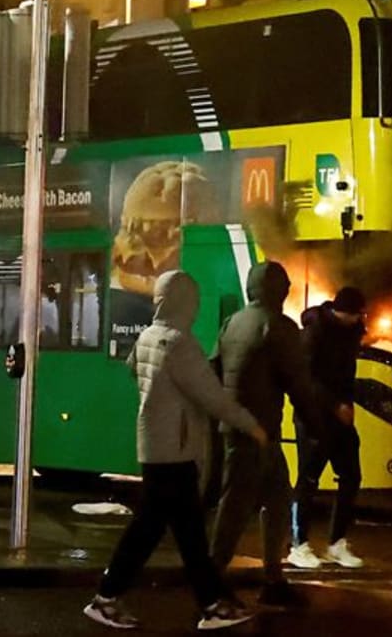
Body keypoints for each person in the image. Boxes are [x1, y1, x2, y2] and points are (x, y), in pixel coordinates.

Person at [83, 270, 266, 631]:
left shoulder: (150, 335)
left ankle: (115, 597)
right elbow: (213, 397)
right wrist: (252, 425)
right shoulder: (180, 343)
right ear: (185, 302)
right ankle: (208, 606)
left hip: (154, 445)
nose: (196, 307)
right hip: (175, 451)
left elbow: (133, 368)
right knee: (182, 533)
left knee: (164, 529)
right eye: (194, 300)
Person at [210, 261, 327, 607]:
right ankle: (215, 578)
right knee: (237, 505)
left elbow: (215, 367)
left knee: (274, 500)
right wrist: (316, 426)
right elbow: (298, 383)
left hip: (239, 427)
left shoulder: (233, 323)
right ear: (278, 290)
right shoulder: (279, 326)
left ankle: (272, 578)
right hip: (257, 430)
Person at [290, 287, 367, 569]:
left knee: (351, 475)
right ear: (342, 311)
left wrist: (346, 404)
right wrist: (336, 405)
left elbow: (347, 376)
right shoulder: (315, 332)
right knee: (308, 479)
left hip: (339, 417)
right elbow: (306, 378)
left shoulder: (352, 332)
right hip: (312, 416)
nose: (359, 320)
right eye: (356, 314)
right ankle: (299, 545)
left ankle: (337, 542)